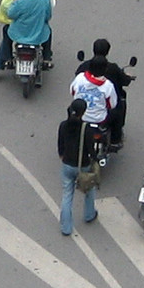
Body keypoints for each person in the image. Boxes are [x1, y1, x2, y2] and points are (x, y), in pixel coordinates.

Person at [0, 0, 55, 74]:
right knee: (48, 31)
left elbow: (10, 14)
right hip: (38, 34)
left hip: (19, 34)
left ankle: (7, 58)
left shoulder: (20, 1)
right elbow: (48, 16)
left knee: (6, 30)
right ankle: (46, 57)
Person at [57, 98, 99, 234]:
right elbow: (91, 150)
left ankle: (66, 228)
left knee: (67, 195)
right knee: (89, 189)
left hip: (67, 165)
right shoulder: (86, 129)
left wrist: (63, 156)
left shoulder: (63, 125)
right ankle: (89, 214)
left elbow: (60, 146)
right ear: (84, 112)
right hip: (83, 166)